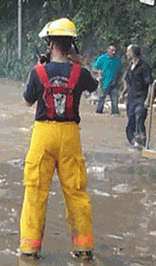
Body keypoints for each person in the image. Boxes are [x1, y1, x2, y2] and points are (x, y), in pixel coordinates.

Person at [20, 18, 97, 260]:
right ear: (71, 45)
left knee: (35, 191)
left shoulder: (38, 71)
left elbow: (27, 100)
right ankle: (83, 247)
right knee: (76, 191)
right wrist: (80, 64)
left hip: (43, 133)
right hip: (70, 136)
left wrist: (39, 68)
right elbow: (93, 86)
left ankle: (30, 249)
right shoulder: (80, 73)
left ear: (50, 44)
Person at [122, 43, 153, 149]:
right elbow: (126, 80)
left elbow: (150, 83)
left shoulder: (144, 66)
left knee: (139, 118)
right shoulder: (130, 66)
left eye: (128, 51)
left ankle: (142, 140)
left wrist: (148, 100)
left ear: (133, 53)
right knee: (131, 118)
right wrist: (123, 93)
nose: (126, 53)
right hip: (131, 98)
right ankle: (132, 140)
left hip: (141, 97)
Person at [91, 43, 122, 115]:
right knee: (101, 99)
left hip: (115, 83)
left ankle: (115, 113)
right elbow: (94, 69)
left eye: (114, 51)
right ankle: (99, 112)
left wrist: (120, 81)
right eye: (112, 50)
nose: (113, 52)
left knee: (115, 100)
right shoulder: (102, 58)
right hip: (104, 82)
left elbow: (120, 71)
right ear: (108, 50)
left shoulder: (117, 59)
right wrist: (98, 72)